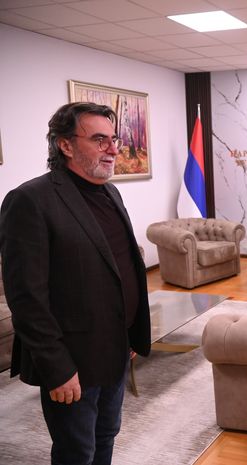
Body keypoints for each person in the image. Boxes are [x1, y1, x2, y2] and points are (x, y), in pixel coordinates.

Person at [0, 102, 151, 464]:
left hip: (115, 347)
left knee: (106, 435)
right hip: (73, 360)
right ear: (65, 145)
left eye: (114, 139)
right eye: (99, 140)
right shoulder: (30, 201)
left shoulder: (110, 192)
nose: (113, 149)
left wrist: (130, 333)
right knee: (77, 451)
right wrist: (57, 369)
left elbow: (118, 267)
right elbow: (27, 299)